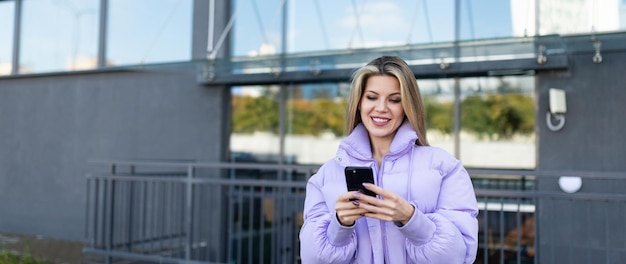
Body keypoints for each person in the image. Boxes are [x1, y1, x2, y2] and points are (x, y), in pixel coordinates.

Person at [299, 56, 478, 263]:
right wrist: (340, 225)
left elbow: (460, 256)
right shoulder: (325, 176)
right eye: (372, 97)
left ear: (408, 106)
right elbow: (311, 258)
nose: (381, 108)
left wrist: (411, 219)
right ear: (359, 102)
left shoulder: (445, 168)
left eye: (394, 99)